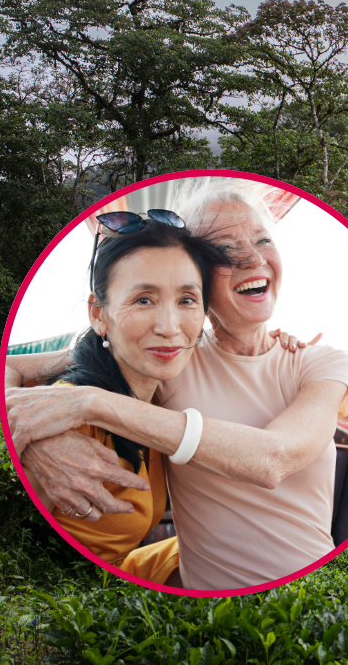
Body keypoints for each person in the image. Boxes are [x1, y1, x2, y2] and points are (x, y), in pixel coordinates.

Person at [6, 179, 348, 590]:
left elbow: (272, 459)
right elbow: (17, 368)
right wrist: (33, 441)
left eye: (262, 239)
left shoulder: (322, 362)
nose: (252, 258)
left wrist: (91, 402)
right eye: (226, 249)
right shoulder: (169, 358)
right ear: (201, 278)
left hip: (314, 593)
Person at [21, 213, 229, 586]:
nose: (169, 327)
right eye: (144, 300)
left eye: (186, 299)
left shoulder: (158, 405)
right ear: (98, 315)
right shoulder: (63, 416)